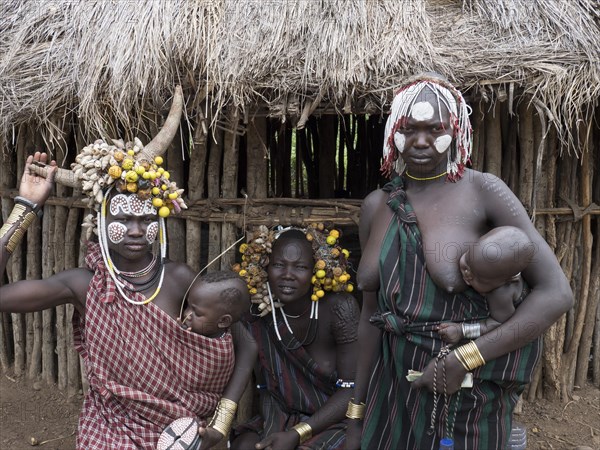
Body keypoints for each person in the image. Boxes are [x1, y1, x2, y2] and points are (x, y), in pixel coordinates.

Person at [0, 89, 257, 450]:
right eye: (123, 218)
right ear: (100, 223)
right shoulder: (82, 285)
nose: (137, 230)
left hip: (183, 436)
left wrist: (222, 422)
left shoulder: (180, 279)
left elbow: (244, 344)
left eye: (146, 218)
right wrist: (26, 205)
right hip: (109, 431)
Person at [345, 74, 573, 450]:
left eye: (435, 129)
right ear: (392, 132)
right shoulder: (376, 206)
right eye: (409, 128)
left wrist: (465, 358)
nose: (420, 140)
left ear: (458, 130)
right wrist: (356, 410)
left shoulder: (484, 190)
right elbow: (370, 316)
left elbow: (556, 294)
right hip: (390, 390)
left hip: (463, 393)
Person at [230, 225, 360, 450]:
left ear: (315, 271)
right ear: (264, 267)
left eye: (300, 267)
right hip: (280, 416)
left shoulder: (339, 309)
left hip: (335, 420)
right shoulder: (255, 313)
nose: (287, 275)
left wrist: (297, 434)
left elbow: (352, 389)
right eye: (279, 265)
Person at [437, 225, 535, 344]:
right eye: (468, 259)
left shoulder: (501, 294)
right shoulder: (483, 254)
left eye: (479, 278)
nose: (467, 273)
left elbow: (497, 325)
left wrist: (462, 331)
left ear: (508, 280)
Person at [179, 270, 250, 338]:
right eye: (188, 306)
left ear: (223, 321)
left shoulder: (217, 348)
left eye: (197, 313)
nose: (186, 314)